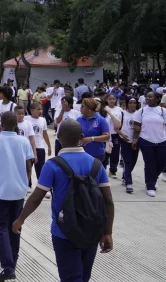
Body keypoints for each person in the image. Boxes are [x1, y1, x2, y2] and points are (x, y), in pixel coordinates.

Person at [12, 119, 114, 282]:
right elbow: (108, 201)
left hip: (64, 231)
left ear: (58, 138)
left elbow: (36, 198)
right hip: (92, 229)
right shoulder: (96, 164)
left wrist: (20, 219)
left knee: (70, 277)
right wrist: (107, 232)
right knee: (83, 276)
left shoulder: (53, 165)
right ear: (81, 136)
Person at [0, 112, 33, 281]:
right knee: (15, 226)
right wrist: (25, 184)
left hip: (1, 191)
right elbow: (29, 166)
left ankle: (8, 267)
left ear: (2, 124)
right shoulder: (23, 141)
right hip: (19, 191)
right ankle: (13, 259)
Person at [133, 91, 166, 197]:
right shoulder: (141, 111)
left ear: (157, 99)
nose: (148, 98)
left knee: (163, 163)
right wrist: (135, 139)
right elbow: (136, 127)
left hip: (162, 140)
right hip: (146, 140)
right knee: (150, 164)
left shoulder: (163, 111)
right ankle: (150, 186)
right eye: (147, 97)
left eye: (150, 97)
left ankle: (153, 178)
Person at [76, 98, 111, 164]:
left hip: (96, 154)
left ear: (89, 108)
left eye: (82, 106)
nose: (80, 108)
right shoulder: (79, 119)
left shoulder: (101, 120)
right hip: (81, 153)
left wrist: (92, 139)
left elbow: (107, 136)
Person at [25, 102, 51, 183]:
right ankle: (27, 185)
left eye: (41, 109)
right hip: (28, 147)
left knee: (40, 168)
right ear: (32, 110)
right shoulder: (26, 119)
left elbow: (44, 133)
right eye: (38, 109)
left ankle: (41, 185)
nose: (40, 111)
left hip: (39, 147)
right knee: (27, 168)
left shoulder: (43, 120)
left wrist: (49, 146)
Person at [118, 97, 139, 193]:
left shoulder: (139, 114)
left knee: (133, 161)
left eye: (134, 103)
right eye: (130, 102)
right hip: (125, 140)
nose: (132, 104)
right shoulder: (122, 113)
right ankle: (129, 183)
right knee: (127, 161)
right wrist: (123, 135)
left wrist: (136, 138)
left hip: (136, 141)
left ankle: (125, 176)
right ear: (127, 104)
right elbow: (116, 128)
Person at [14, 106, 38, 188]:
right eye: (19, 114)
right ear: (14, 114)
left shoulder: (28, 123)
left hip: (26, 151)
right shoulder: (13, 124)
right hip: (15, 152)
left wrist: (34, 153)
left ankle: (27, 184)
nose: (21, 115)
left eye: (22, 113)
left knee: (27, 169)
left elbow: (32, 139)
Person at [103, 94, 124, 177]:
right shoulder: (104, 109)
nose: (111, 100)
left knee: (115, 153)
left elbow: (121, 121)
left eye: (113, 99)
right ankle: (103, 169)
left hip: (115, 134)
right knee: (105, 153)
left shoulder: (119, 110)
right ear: (106, 100)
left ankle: (113, 170)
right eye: (110, 99)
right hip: (106, 134)